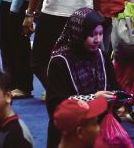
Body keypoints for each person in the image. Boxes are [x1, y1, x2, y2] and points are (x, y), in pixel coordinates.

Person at [46, 8, 119, 148]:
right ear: (78, 34)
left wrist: (118, 97)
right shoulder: (60, 62)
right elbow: (56, 104)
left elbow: (114, 85)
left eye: (101, 34)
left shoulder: (102, 56)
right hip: (69, 132)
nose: (98, 40)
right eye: (92, 35)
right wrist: (92, 98)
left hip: (96, 128)